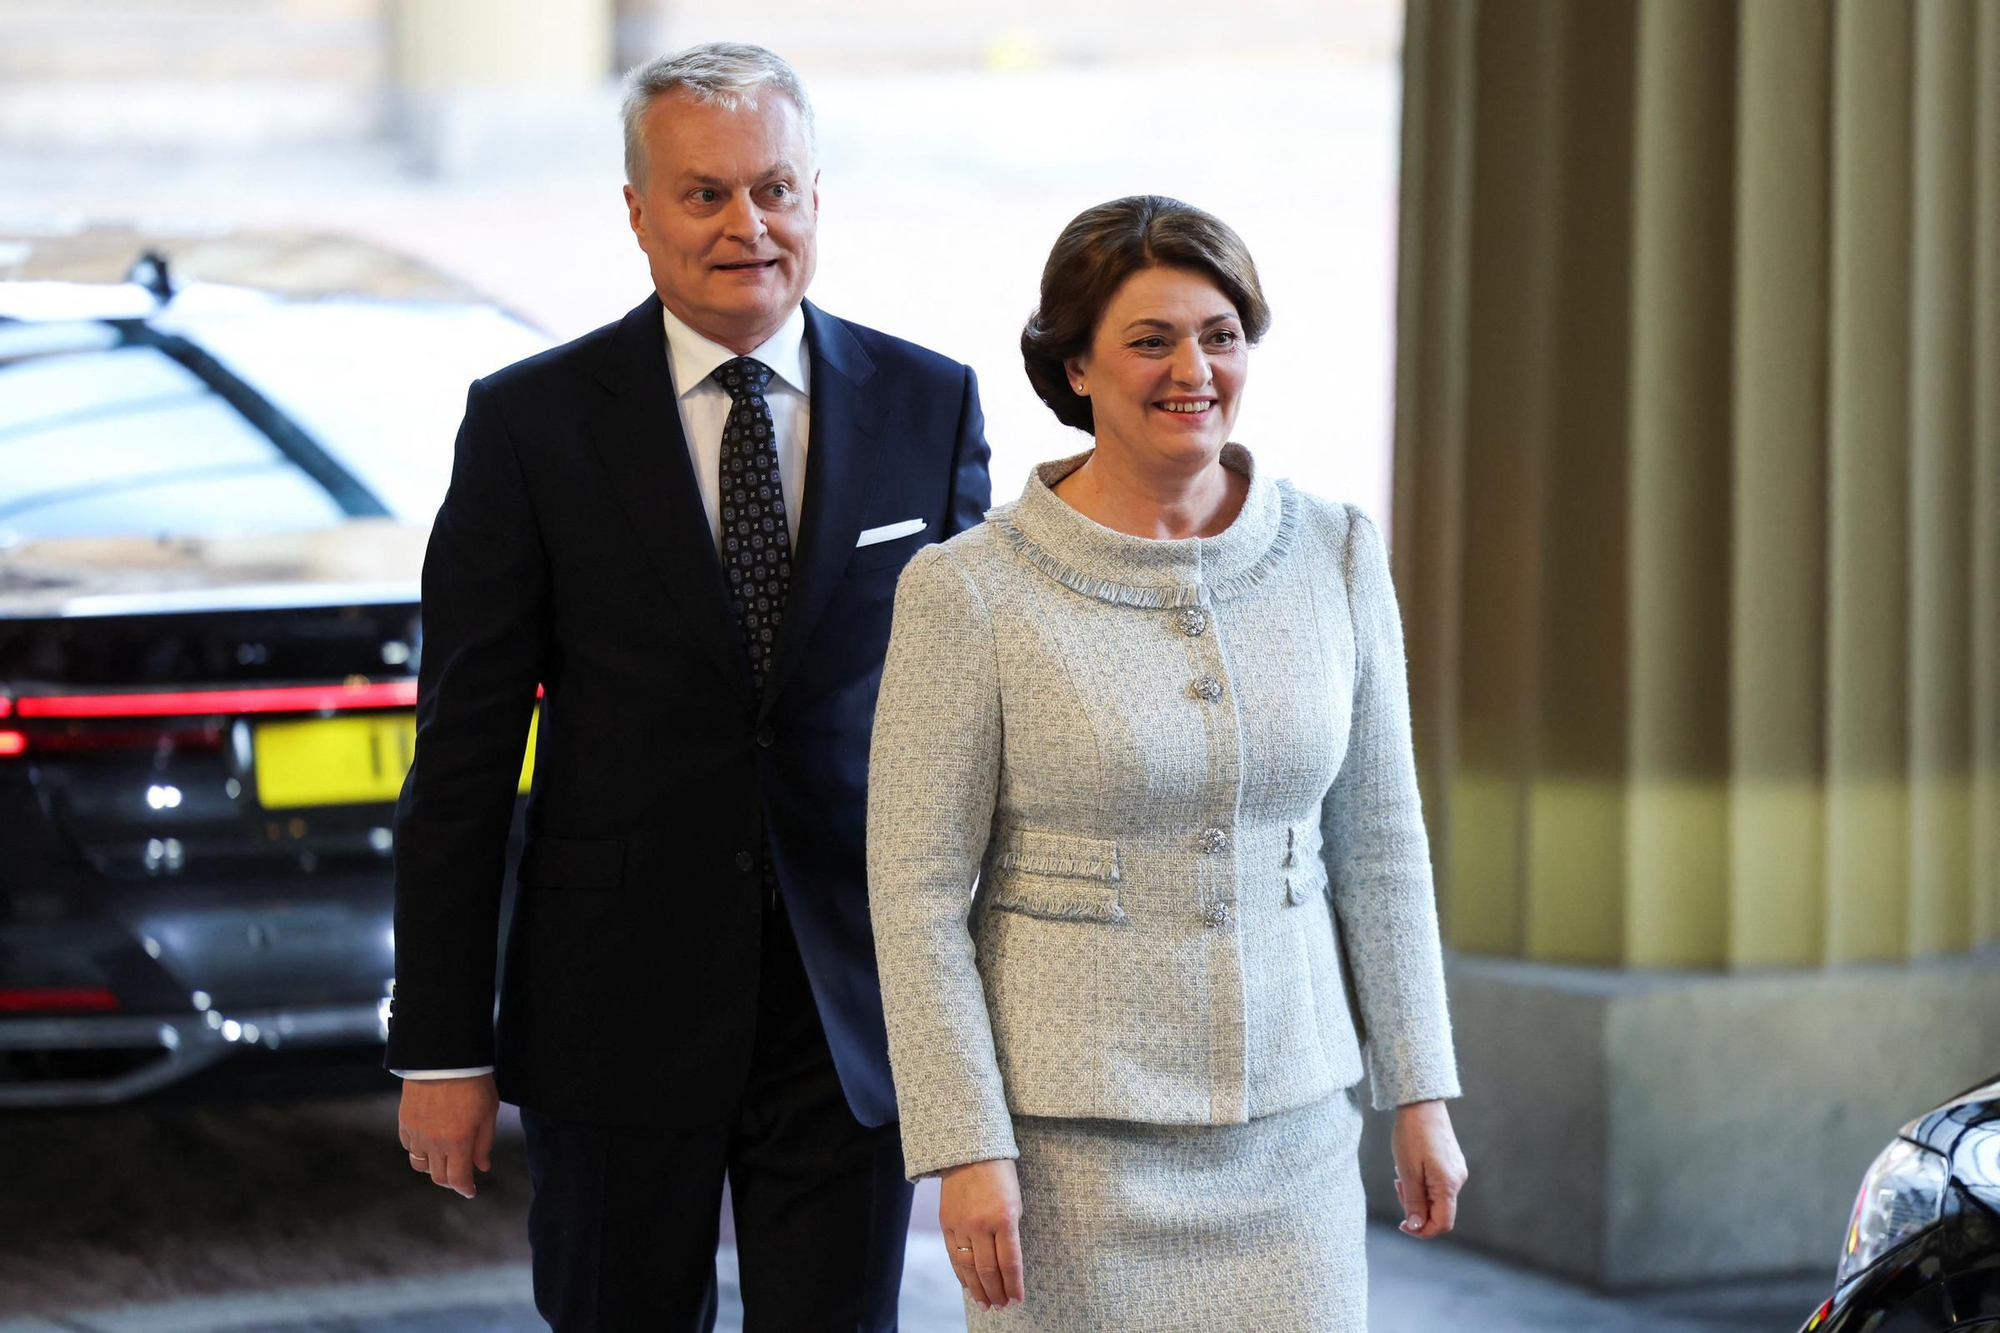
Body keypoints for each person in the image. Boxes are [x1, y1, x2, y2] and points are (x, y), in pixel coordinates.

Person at [387, 42, 991, 1331]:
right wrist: (444, 1042)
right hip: (612, 1005)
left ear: (817, 198)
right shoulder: (529, 425)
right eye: (704, 194)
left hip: (850, 1015)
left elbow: (972, 739)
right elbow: (463, 758)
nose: (746, 225)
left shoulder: (929, 409)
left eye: (773, 187)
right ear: (637, 213)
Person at [867, 194, 1466, 1331]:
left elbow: (1382, 842)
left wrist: (1419, 1091)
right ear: (1074, 366)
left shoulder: (1335, 550)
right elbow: (913, 896)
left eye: (1219, 335)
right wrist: (961, 1144)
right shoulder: (968, 590)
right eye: (1150, 340)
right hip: (1063, 1159)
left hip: (1294, 1135)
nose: (1191, 367)